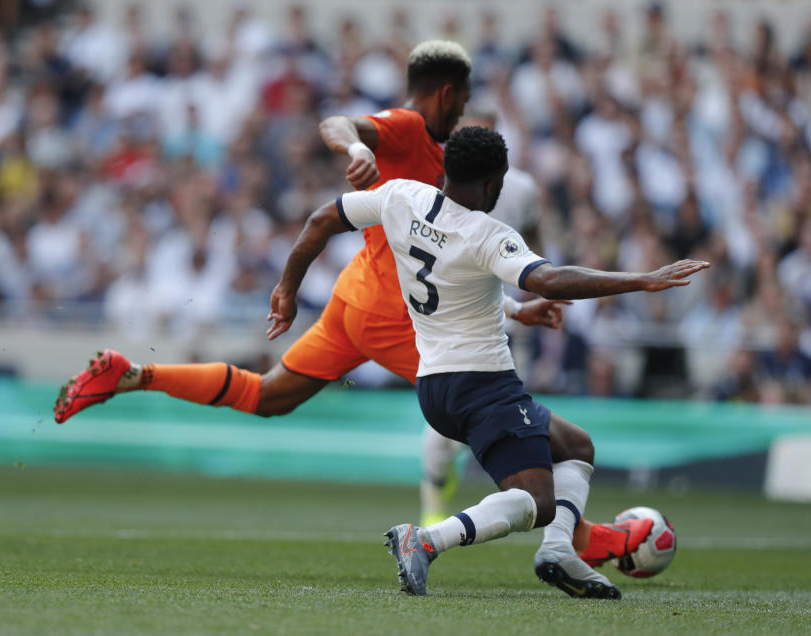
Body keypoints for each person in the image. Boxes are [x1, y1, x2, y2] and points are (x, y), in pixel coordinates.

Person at [52, 40, 642, 567]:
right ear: (446, 94)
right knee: (517, 433)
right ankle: (583, 540)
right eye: (461, 100)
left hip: (356, 299)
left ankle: (134, 375)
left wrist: (513, 311)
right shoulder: (412, 128)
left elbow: (441, 271)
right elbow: (337, 123)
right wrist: (355, 146)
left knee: (269, 395)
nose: (463, 110)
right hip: (400, 322)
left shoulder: (430, 163)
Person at [265, 126, 708, 598]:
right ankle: (426, 541)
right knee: (538, 502)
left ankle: (558, 550)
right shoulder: (488, 233)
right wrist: (642, 279)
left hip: (434, 385)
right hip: (484, 383)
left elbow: (319, 221)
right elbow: (552, 280)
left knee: (576, 446)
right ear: (494, 184)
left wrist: (288, 290)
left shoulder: (399, 197)